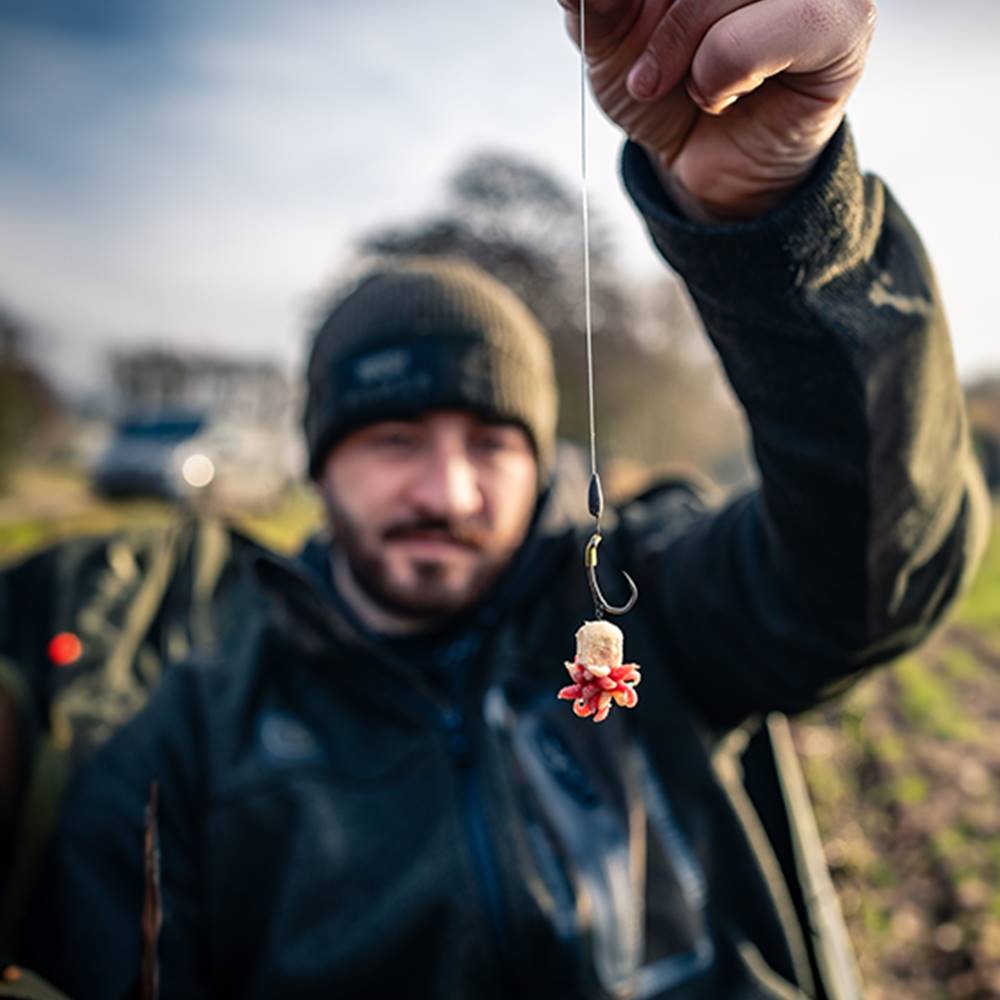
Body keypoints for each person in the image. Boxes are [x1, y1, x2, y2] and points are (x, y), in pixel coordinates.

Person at [21, 0, 990, 996]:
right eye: (395, 440)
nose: (447, 491)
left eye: (490, 443)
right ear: (317, 463)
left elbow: (880, 562)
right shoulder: (188, 736)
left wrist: (774, 211)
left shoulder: (659, 596)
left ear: (542, 459)